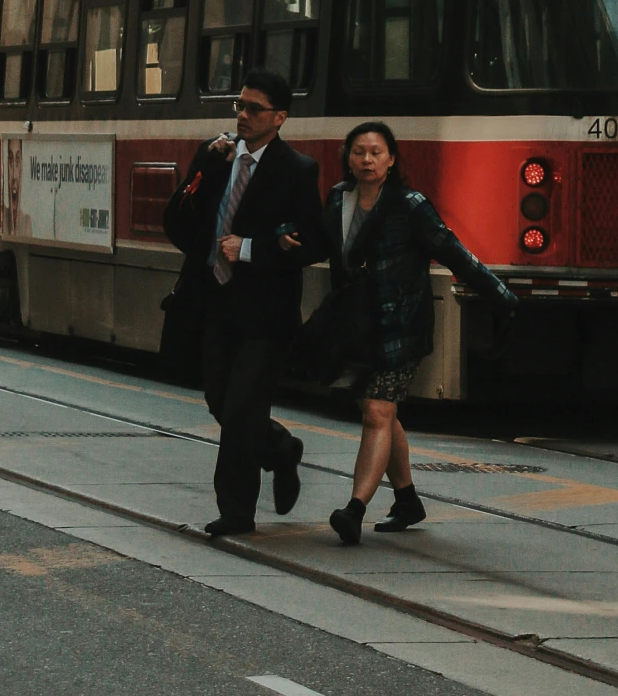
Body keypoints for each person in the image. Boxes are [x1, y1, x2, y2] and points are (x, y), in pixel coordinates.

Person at [320, 120, 519, 545]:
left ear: (392, 159)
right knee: (384, 414)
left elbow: (453, 251)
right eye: (359, 152)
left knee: (377, 411)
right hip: (356, 327)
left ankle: (354, 509)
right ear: (347, 158)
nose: (367, 160)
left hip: (400, 327)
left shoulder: (409, 205)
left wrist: (500, 294)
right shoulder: (339, 199)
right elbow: (322, 245)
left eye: (376, 152)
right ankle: (408, 499)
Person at [162, 69, 323, 538]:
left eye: (254, 109)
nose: (243, 115)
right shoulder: (217, 156)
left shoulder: (297, 170)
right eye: (239, 105)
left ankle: (235, 510)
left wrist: (250, 248)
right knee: (219, 401)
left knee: (240, 412)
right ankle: (280, 449)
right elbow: (177, 224)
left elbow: (314, 243)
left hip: (264, 315)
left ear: (280, 118)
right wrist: (203, 169)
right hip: (213, 302)